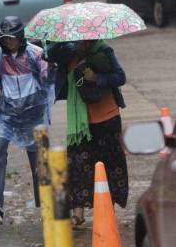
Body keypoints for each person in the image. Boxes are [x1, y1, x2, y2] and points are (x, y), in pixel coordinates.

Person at [45, 40, 129, 229]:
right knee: (77, 166)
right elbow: (47, 55)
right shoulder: (67, 54)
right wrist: (61, 44)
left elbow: (120, 77)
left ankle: (108, 211)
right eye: (76, 41)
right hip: (80, 124)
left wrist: (97, 78)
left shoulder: (104, 51)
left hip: (107, 119)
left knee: (110, 165)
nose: (79, 44)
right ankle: (78, 214)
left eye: (82, 42)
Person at [0, 16, 51, 225]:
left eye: (12, 39)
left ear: (20, 38)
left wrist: (49, 68)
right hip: (6, 113)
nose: (8, 43)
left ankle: (46, 204)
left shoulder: (36, 55)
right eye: (5, 39)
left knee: (38, 158)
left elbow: (47, 79)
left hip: (32, 114)